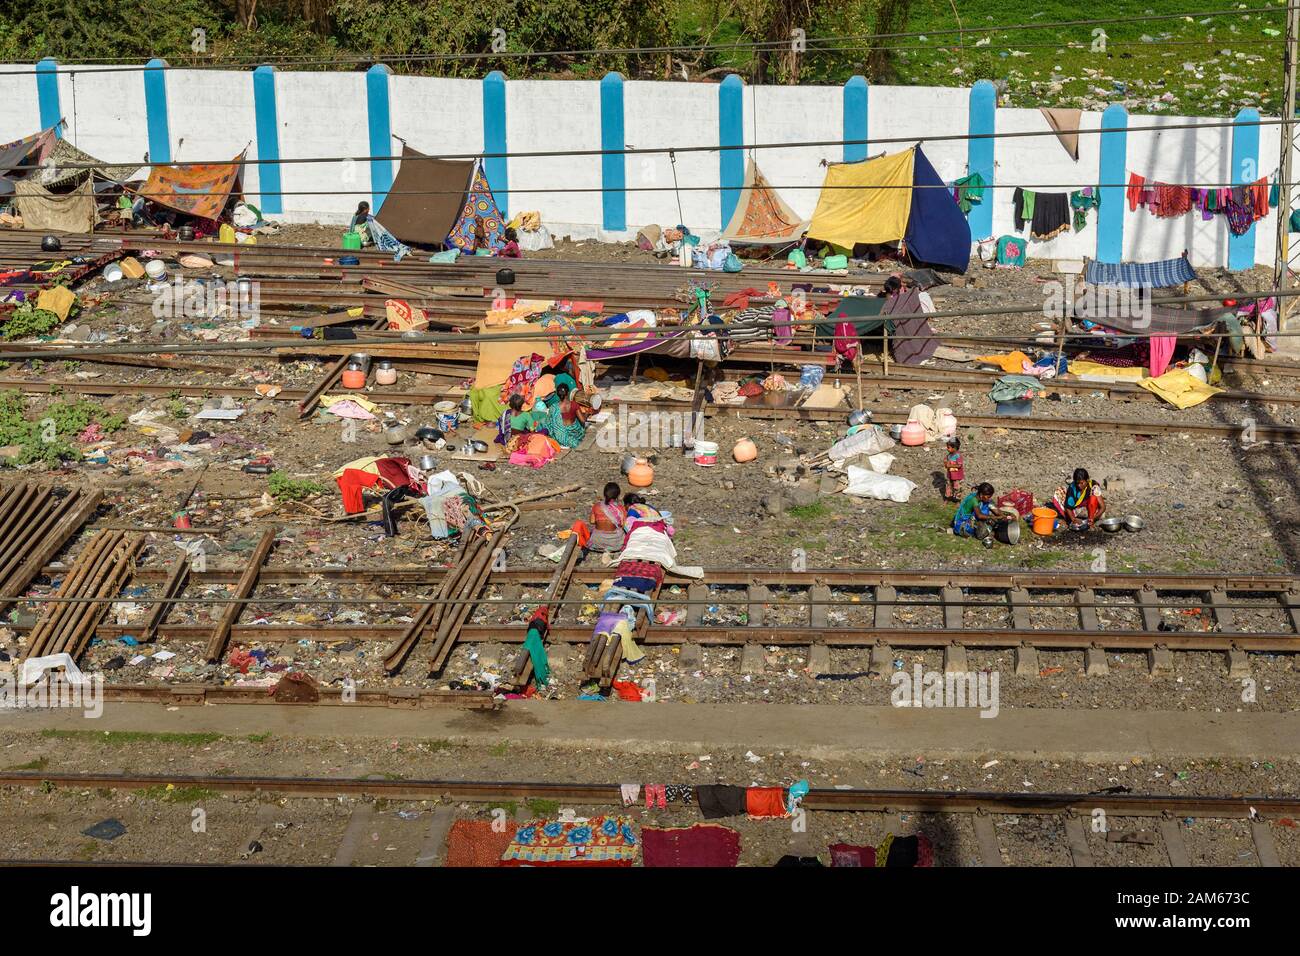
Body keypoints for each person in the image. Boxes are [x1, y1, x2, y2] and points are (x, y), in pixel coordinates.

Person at [536, 382, 586, 448]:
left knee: (543, 422)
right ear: (568, 393)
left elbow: (549, 422)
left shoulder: (554, 407)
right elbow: (583, 420)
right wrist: (587, 414)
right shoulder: (574, 404)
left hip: (560, 434)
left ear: (557, 394)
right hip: (574, 432)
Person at [953, 482, 1003, 547]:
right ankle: (987, 530)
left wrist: (1003, 515)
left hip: (970, 518)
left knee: (990, 503)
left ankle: (989, 527)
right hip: (962, 524)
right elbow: (980, 515)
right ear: (981, 495)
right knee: (982, 532)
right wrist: (995, 517)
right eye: (988, 497)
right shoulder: (974, 500)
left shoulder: (979, 497)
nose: (989, 498)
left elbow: (995, 509)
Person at [588, 482, 628, 553]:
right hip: (615, 544)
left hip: (597, 543)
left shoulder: (596, 506)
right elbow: (623, 525)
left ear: (604, 494)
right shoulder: (620, 509)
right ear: (617, 495)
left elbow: (592, 521)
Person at [943, 437, 964, 502]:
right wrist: (945, 461)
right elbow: (946, 460)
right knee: (948, 487)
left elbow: (959, 465)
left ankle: (957, 500)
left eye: (948, 447)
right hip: (950, 475)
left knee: (957, 488)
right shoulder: (949, 455)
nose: (947, 448)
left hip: (957, 476)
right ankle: (948, 498)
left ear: (954, 448)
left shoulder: (958, 456)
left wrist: (950, 465)